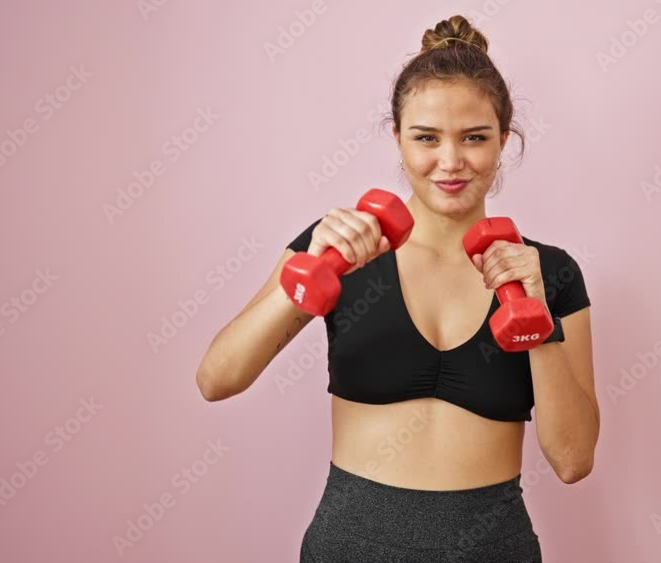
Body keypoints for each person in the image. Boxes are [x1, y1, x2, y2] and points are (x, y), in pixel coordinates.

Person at [196, 14, 600, 562]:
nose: (450, 161)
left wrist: (540, 317)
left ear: (504, 140)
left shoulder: (549, 273)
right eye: (426, 138)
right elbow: (217, 380)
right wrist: (310, 274)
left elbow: (573, 460)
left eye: (475, 138)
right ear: (398, 137)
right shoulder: (337, 249)